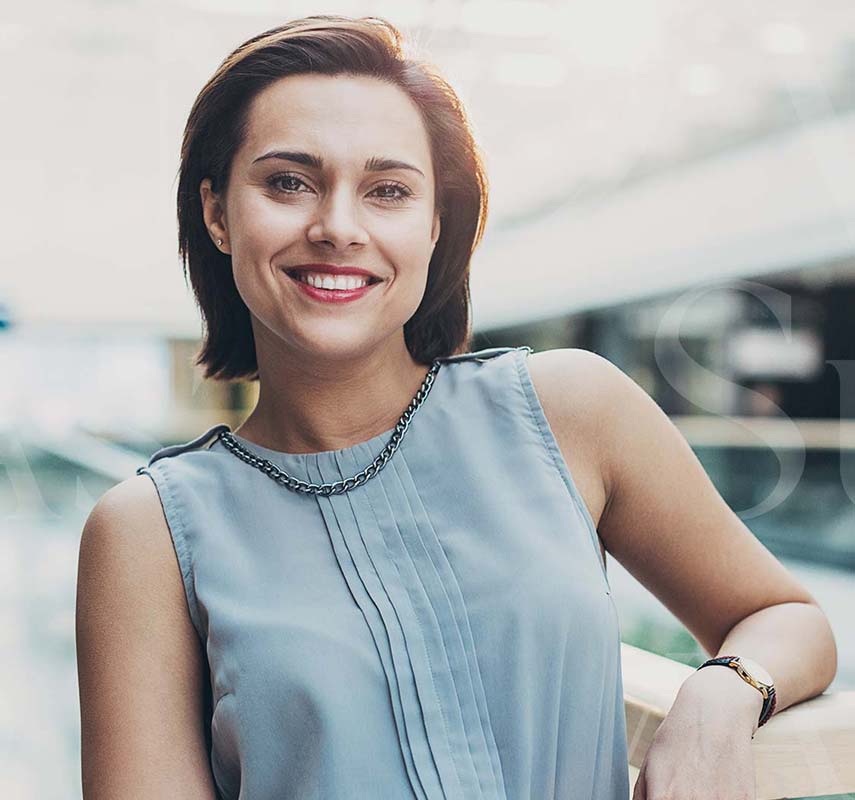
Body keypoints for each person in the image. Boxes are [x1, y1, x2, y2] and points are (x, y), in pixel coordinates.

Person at [75, 15, 837, 800]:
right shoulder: (149, 532)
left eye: (388, 191)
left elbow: (786, 616)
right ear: (215, 213)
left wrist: (717, 697)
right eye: (288, 182)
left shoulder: (570, 409)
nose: (337, 227)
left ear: (435, 224)